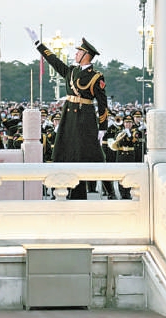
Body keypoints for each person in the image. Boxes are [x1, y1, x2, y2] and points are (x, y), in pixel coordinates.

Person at [26, 29, 107, 200]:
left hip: (84, 118)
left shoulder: (96, 77)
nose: (76, 54)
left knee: (82, 157)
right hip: (69, 117)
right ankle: (61, 190)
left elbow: (102, 103)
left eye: (79, 51)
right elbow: (53, 60)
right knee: (64, 152)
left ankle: (80, 194)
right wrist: (38, 44)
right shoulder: (71, 71)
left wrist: (103, 127)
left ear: (86, 55)